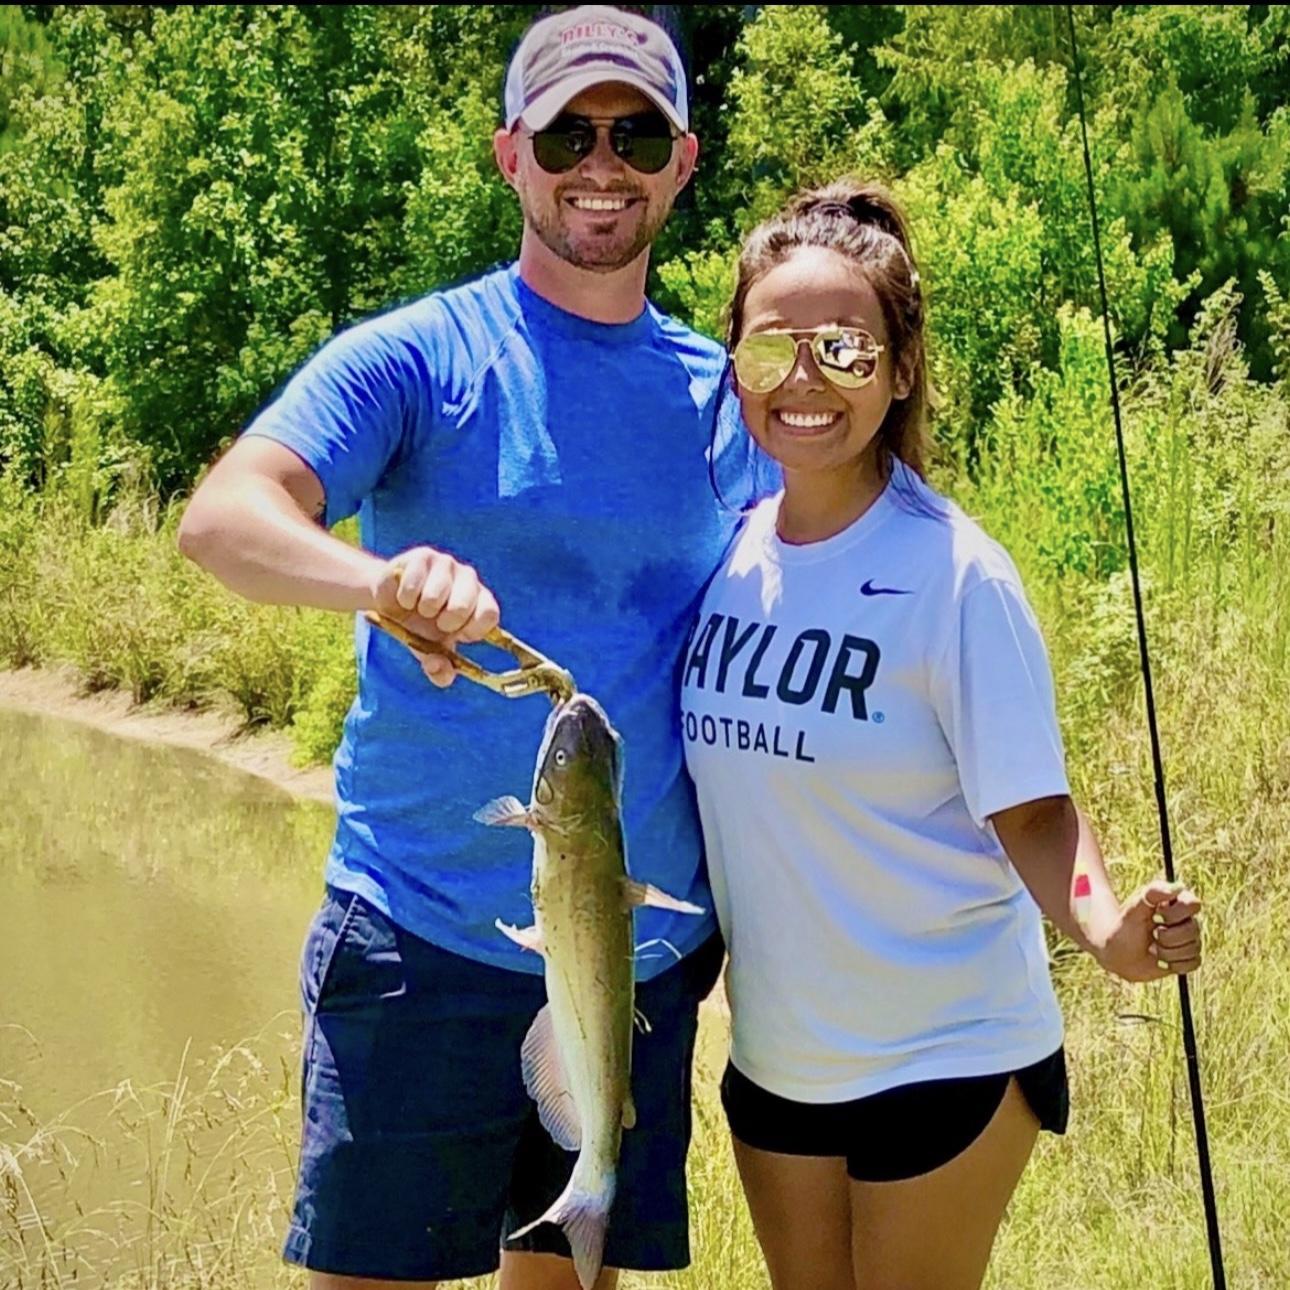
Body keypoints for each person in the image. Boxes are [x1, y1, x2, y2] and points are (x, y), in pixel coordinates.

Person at [177, 8, 748, 1288]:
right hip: (420, 942)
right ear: (509, 155)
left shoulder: (728, 396)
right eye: (566, 135)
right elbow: (224, 520)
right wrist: (379, 582)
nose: (600, 165)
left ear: (682, 161)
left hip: (634, 961)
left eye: (635, 134)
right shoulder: (419, 357)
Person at [679, 179, 1205, 1290]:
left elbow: (1034, 808)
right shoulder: (724, 558)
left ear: (903, 368)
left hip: (946, 1055)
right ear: (736, 366)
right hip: (778, 1063)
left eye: (845, 349)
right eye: (771, 348)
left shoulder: (956, 575)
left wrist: (1107, 929)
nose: (805, 379)